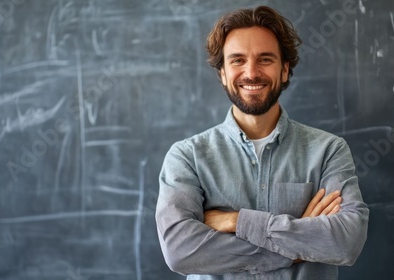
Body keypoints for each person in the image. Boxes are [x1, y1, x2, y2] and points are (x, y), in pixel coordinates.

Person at [155, 5, 369, 280]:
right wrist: (299, 244)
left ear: (284, 70)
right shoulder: (187, 157)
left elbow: (346, 241)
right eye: (237, 60)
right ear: (222, 73)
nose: (251, 72)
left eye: (265, 59)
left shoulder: (328, 151)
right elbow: (180, 251)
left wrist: (237, 221)